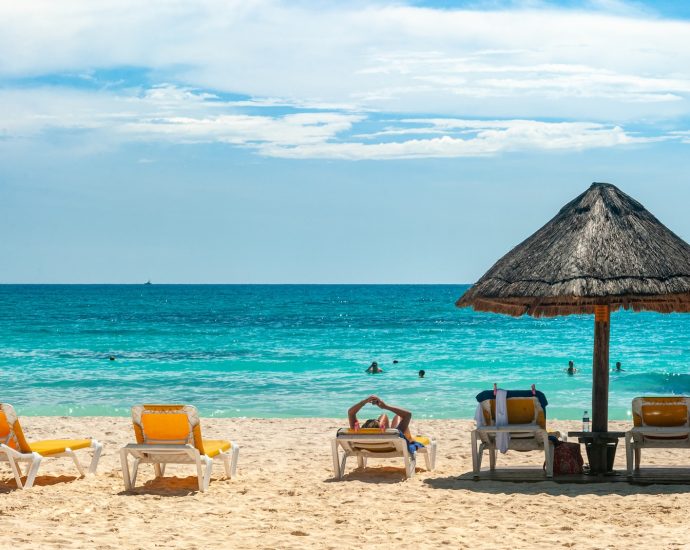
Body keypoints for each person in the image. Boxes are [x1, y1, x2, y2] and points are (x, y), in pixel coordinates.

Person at [347, 395, 413, 440]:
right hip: (390, 447)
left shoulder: (358, 434)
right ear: (382, 428)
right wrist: (386, 406)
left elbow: (351, 412)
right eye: (379, 421)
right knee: (398, 416)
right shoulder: (395, 435)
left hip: (366, 447)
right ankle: (410, 438)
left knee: (383, 415)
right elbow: (408, 414)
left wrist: (364, 401)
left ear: (363, 427)